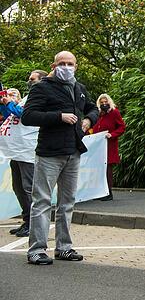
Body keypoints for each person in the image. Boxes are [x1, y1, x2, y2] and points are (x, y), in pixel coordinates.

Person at [21, 51, 98, 265]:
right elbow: (27, 116)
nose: (66, 66)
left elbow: (92, 108)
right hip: (49, 152)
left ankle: (63, 247)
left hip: (73, 151)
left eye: (70, 63)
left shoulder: (78, 87)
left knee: (67, 202)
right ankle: (36, 249)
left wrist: (88, 121)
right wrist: (58, 117)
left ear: (76, 66)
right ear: (53, 65)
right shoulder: (41, 87)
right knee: (42, 201)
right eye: (62, 63)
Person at [3, 74, 42, 238]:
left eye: (33, 79)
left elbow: (24, 115)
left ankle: (34, 223)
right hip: (16, 151)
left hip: (27, 151)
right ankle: (27, 220)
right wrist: (4, 105)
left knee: (27, 188)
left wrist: (10, 103)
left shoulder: (40, 98)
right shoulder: (27, 97)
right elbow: (10, 117)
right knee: (18, 188)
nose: (29, 81)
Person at [91, 93, 126, 201]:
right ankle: (99, 192)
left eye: (106, 102)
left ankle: (108, 192)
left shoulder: (114, 112)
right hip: (98, 146)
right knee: (98, 169)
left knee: (107, 169)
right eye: (102, 103)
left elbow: (122, 127)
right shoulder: (99, 114)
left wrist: (112, 134)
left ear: (109, 102)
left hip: (109, 145)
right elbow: (94, 127)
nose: (104, 104)